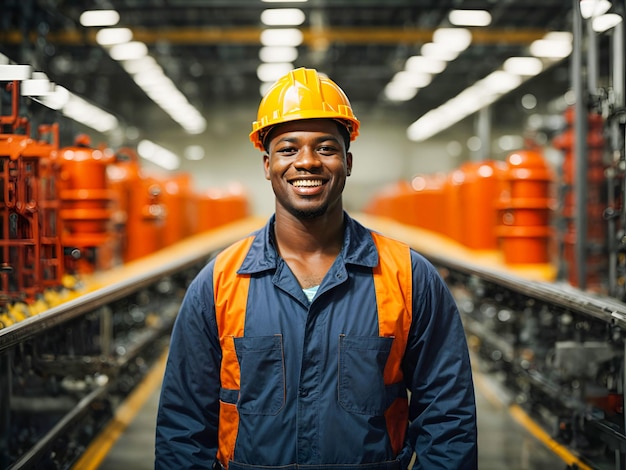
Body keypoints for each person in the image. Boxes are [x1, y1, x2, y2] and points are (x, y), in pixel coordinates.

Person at [155, 67, 477, 470]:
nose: (307, 162)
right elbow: (182, 426)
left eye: (326, 148)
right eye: (288, 149)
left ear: (348, 161)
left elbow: (448, 419)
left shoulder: (409, 277)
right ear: (267, 163)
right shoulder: (220, 282)